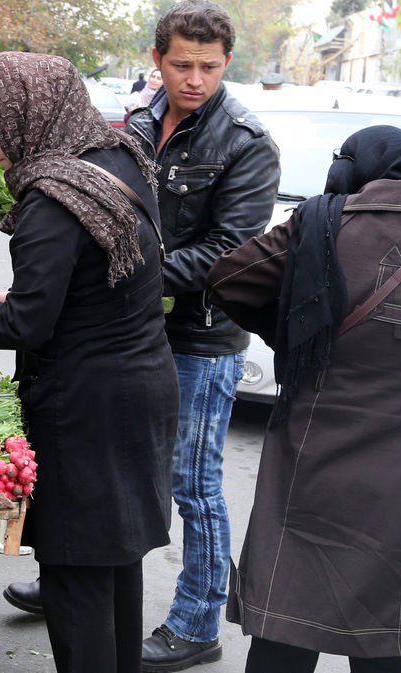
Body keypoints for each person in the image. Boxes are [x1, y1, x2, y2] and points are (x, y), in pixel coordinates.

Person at [207, 126, 401, 673]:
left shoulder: (315, 230)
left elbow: (227, 279)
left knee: (287, 627)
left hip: (312, 463)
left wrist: (303, 330)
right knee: (393, 636)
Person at [0, 51, 177, 673]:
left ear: (29, 115)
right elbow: (95, 280)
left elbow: (29, 323)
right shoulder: (118, 158)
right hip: (142, 386)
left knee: (76, 582)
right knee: (118, 568)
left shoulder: (53, 199)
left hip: (86, 411)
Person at [123, 2, 280, 670]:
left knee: (193, 483)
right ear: (158, 59)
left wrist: (129, 270)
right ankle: (85, 581)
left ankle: (195, 623)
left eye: (209, 67)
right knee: (115, 463)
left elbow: (228, 253)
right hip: (128, 324)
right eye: (181, 64)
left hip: (201, 335)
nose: (194, 78)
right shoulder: (137, 121)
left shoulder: (246, 143)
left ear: (226, 63)